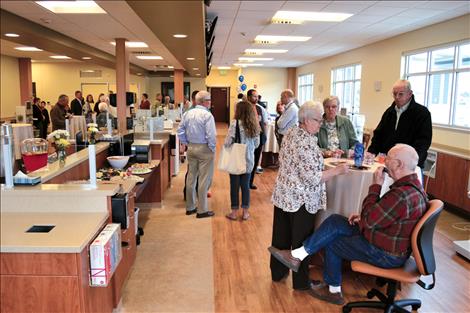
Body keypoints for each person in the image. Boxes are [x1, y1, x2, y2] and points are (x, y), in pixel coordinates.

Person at [269, 143, 428, 305]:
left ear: (399, 164)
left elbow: (370, 220)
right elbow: (385, 217)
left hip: (387, 254)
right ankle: (298, 255)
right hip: (388, 240)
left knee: (333, 242)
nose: (384, 161)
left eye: (388, 158)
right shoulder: (413, 188)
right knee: (336, 220)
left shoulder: (401, 195)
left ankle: (334, 291)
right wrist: (364, 217)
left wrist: (376, 186)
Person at [270, 101, 349, 291]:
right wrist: (338, 171)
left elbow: (304, 157)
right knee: (301, 241)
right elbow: (313, 178)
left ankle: (277, 273)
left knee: (280, 237)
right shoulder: (305, 141)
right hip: (301, 199)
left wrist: (325, 152)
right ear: (305, 120)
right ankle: (301, 283)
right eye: (317, 119)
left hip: (284, 194)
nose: (321, 123)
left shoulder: (292, 133)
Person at [368, 79, 432, 168]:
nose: (397, 97)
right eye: (394, 94)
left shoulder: (422, 113)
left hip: (410, 165)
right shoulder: (389, 112)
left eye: (401, 94)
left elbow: (423, 142)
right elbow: (378, 136)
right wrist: (371, 153)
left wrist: (410, 163)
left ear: (410, 94)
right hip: (389, 163)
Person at [177, 90, 217, 219]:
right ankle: (202, 210)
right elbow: (211, 135)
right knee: (204, 179)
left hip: (191, 147)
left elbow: (180, 130)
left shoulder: (187, 114)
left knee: (191, 177)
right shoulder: (207, 115)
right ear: (204, 102)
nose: (211, 102)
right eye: (209, 100)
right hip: (205, 148)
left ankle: (190, 207)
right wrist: (212, 148)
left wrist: (186, 142)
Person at [224, 101, 260, 221]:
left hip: (236, 157)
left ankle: (234, 213)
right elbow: (257, 143)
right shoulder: (254, 125)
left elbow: (227, 142)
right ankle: (245, 212)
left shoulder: (235, 124)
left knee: (234, 185)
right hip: (249, 158)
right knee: (245, 186)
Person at [246, 89, 266, 190]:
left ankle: (250, 182)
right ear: (249, 97)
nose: (256, 98)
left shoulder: (259, 108)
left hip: (259, 137)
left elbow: (263, 122)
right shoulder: (244, 108)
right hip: (249, 139)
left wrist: (264, 135)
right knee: (248, 161)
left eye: (257, 96)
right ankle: (245, 182)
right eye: (254, 96)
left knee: (255, 161)